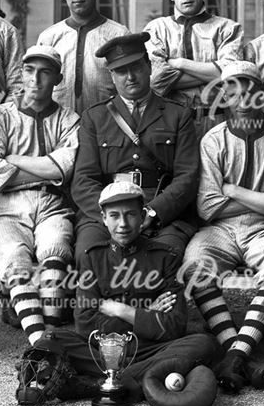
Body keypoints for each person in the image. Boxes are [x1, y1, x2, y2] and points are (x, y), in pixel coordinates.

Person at [15, 182, 217, 406]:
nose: (122, 224)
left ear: (142, 216)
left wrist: (122, 310)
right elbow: (85, 323)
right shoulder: (93, 258)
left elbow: (175, 324)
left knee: (203, 343)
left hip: (150, 350)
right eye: (114, 215)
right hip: (100, 352)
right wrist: (146, 314)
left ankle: (101, 383)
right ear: (103, 218)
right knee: (51, 339)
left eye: (130, 214)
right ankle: (139, 378)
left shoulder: (165, 258)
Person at [183, 62, 264, 393]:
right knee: (195, 264)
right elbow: (207, 206)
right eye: (234, 89)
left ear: (262, 93)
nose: (242, 96)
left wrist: (235, 191)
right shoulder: (213, 139)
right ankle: (237, 352)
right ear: (224, 95)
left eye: (249, 87)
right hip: (220, 229)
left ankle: (235, 353)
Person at [0, 45, 80, 344]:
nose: (35, 79)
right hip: (7, 205)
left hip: (52, 202)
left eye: (45, 72)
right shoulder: (2, 116)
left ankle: (50, 336)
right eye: (29, 70)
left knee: (55, 250)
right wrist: (47, 166)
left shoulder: (69, 119)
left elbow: (65, 167)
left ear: (58, 78)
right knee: (15, 259)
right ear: (21, 74)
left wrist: (15, 160)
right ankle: (40, 342)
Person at [70, 33, 200, 258]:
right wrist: (112, 214)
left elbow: (187, 177)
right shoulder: (95, 117)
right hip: (108, 209)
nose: (130, 77)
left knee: (166, 255)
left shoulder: (178, 115)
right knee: (88, 254)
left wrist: (153, 212)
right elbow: (83, 181)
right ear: (111, 76)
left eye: (136, 68)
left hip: (160, 208)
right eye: (121, 71)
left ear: (149, 67)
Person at [144, 0, 243, 134]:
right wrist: (213, 72)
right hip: (169, 121)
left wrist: (180, 63)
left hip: (216, 119)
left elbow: (232, 75)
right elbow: (156, 80)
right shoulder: (157, 29)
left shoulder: (227, 28)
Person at [36, 0, 130, 111]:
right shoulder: (49, 37)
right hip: (59, 125)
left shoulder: (118, 34)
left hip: (107, 122)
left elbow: (129, 85)